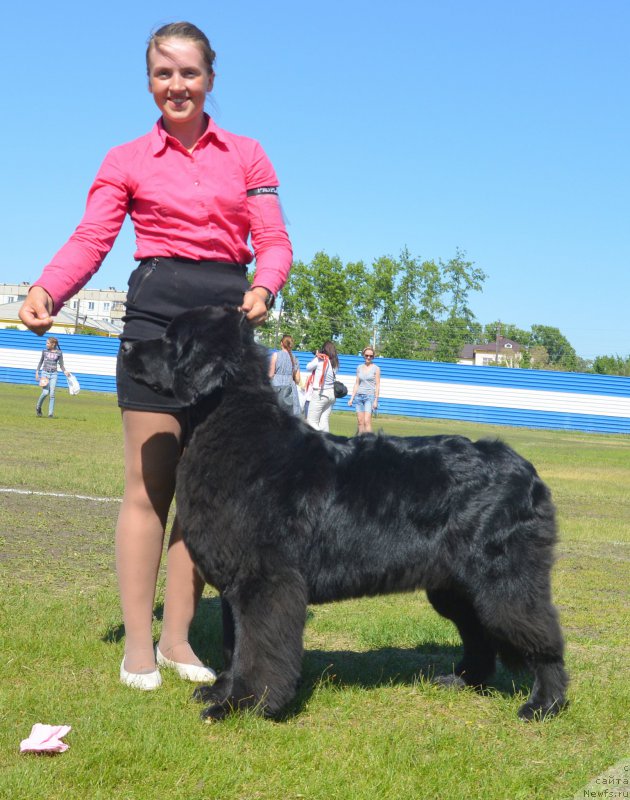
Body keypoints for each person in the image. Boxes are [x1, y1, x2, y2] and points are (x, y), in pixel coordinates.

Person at [17, 22, 292, 690]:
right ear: (149, 82)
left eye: (189, 72)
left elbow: (274, 240)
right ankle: (137, 645)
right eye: (164, 73)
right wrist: (48, 286)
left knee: (205, 495)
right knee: (150, 488)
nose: (177, 85)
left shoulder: (250, 155)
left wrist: (264, 285)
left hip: (226, 330)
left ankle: (178, 642)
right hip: (154, 321)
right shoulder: (124, 159)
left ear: (211, 79)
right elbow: (93, 236)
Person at [305, 341, 339, 432]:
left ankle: (319, 440)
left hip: (320, 393)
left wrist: (316, 356)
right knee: (324, 421)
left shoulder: (321, 359)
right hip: (331, 394)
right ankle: (327, 441)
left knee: (312, 422)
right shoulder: (335, 362)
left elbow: (308, 367)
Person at [34, 336, 70, 418]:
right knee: (45, 392)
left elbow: (61, 365)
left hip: (54, 374)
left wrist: (65, 371)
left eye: (48, 343)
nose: (46, 344)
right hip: (44, 373)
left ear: (53, 344)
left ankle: (50, 414)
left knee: (52, 394)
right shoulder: (44, 351)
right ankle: (38, 407)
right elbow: (40, 362)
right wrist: (37, 372)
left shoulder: (59, 353)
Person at [348, 347, 381, 434]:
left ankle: (371, 443)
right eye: (366, 355)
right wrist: (351, 398)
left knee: (367, 421)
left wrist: (376, 400)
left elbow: (377, 385)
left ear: (373, 357)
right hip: (358, 397)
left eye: (371, 356)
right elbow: (357, 383)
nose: (368, 357)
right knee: (360, 422)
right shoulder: (359, 367)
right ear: (363, 355)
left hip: (369, 397)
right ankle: (360, 443)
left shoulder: (376, 368)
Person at [269, 335, 301, 415]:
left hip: (276, 387)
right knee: (289, 416)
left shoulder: (275, 355)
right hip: (290, 388)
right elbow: (297, 379)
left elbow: (270, 374)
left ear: (281, 343)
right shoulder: (295, 358)